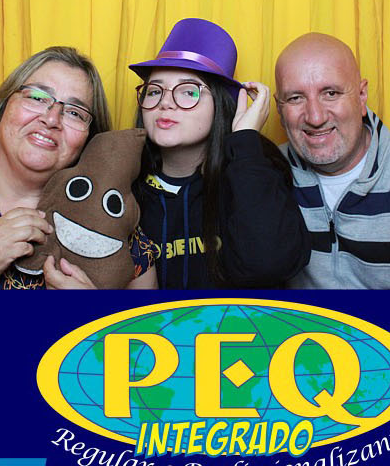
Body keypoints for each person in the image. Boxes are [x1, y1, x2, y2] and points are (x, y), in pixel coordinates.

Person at [0, 48, 157, 291]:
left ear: (90, 139)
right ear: (2, 108)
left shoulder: (110, 219)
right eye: (37, 97)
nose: (52, 119)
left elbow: (151, 315)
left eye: (74, 112)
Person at [130, 19, 310, 291]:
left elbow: (270, 265)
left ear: (221, 103)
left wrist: (246, 139)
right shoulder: (123, 183)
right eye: (155, 91)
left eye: (188, 91)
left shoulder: (253, 171)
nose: (165, 103)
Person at [274, 33, 390, 289]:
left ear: (361, 95)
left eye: (331, 93)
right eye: (295, 98)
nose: (315, 117)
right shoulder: (266, 174)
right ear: (279, 109)